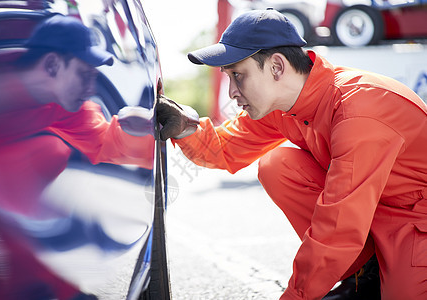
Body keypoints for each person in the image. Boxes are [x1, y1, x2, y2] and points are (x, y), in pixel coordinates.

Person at [156, 9, 427, 300]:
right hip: (367, 210)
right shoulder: (283, 105)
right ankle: (363, 272)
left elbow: (339, 226)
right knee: (278, 165)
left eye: (238, 75)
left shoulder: (360, 111)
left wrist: (296, 296)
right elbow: (225, 148)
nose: (232, 91)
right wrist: (184, 126)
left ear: (276, 66)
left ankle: (381, 272)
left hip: (415, 220)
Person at [0, 14, 154, 299]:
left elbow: (104, 143)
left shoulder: (64, 106)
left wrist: (140, 131)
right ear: (52, 65)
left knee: (47, 153)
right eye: (85, 75)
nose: (91, 88)